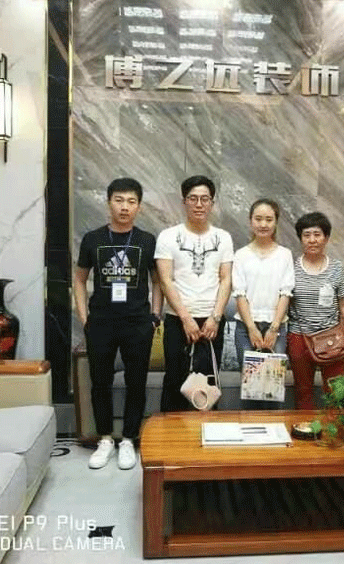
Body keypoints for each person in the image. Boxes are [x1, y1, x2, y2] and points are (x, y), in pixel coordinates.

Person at [74, 178, 162, 470]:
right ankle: (105, 439)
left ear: (139, 206)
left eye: (131, 201)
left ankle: (128, 439)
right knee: (100, 382)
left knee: (136, 383)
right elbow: (79, 279)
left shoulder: (147, 240)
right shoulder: (93, 239)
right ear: (109, 202)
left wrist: (155, 315)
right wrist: (84, 318)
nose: (125, 207)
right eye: (119, 200)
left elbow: (158, 281)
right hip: (101, 322)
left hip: (138, 323)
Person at [155, 175, 234, 412]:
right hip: (177, 320)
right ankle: (170, 433)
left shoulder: (223, 238)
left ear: (212, 203)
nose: (199, 204)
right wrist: (186, 318)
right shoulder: (168, 236)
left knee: (207, 385)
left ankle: (206, 433)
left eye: (204, 199)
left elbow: (226, 279)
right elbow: (165, 280)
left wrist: (215, 317)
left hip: (211, 322)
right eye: (193, 198)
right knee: (175, 381)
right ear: (184, 201)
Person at [287, 212, 344, 409]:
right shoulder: (291, 268)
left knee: (337, 392)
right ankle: (305, 426)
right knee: (303, 391)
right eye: (307, 235)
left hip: (332, 336)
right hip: (300, 337)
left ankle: (335, 426)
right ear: (300, 238)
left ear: (326, 238)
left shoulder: (337, 268)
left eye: (317, 235)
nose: (312, 240)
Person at [232, 199, 294, 405]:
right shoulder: (241, 255)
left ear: (276, 222)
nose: (263, 224)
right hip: (246, 329)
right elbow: (240, 294)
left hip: (276, 329)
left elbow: (285, 293)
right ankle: (249, 425)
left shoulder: (285, 255)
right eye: (258, 219)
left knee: (271, 390)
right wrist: (251, 328)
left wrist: (274, 328)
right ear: (251, 221)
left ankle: (273, 426)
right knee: (251, 389)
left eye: (269, 219)